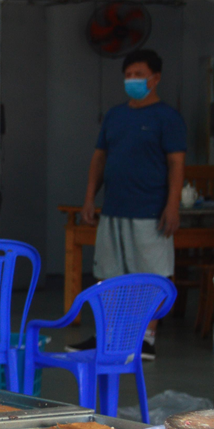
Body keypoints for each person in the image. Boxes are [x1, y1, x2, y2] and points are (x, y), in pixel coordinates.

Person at [77, 48, 186, 358]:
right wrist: (89, 198)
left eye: (139, 75)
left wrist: (172, 205)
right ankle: (106, 334)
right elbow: (99, 159)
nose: (132, 80)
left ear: (155, 78)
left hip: (150, 210)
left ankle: (146, 338)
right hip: (113, 209)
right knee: (107, 274)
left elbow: (177, 164)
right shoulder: (115, 115)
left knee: (151, 275)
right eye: (128, 75)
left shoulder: (167, 117)